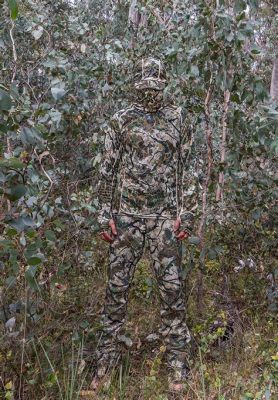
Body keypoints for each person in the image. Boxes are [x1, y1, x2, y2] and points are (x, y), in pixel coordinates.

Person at [92, 57, 198, 392]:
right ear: (137, 82)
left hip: (164, 221)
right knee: (116, 292)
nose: (150, 88)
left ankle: (178, 365)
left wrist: (188, 212)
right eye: (145, 82)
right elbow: (106, 169)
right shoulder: (121, 119)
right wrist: (103, 213)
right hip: (125, 219)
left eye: (156, 83)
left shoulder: (178, 119)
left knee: (172, 293)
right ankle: (104, 365)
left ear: (164, 82)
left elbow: (189, 169)